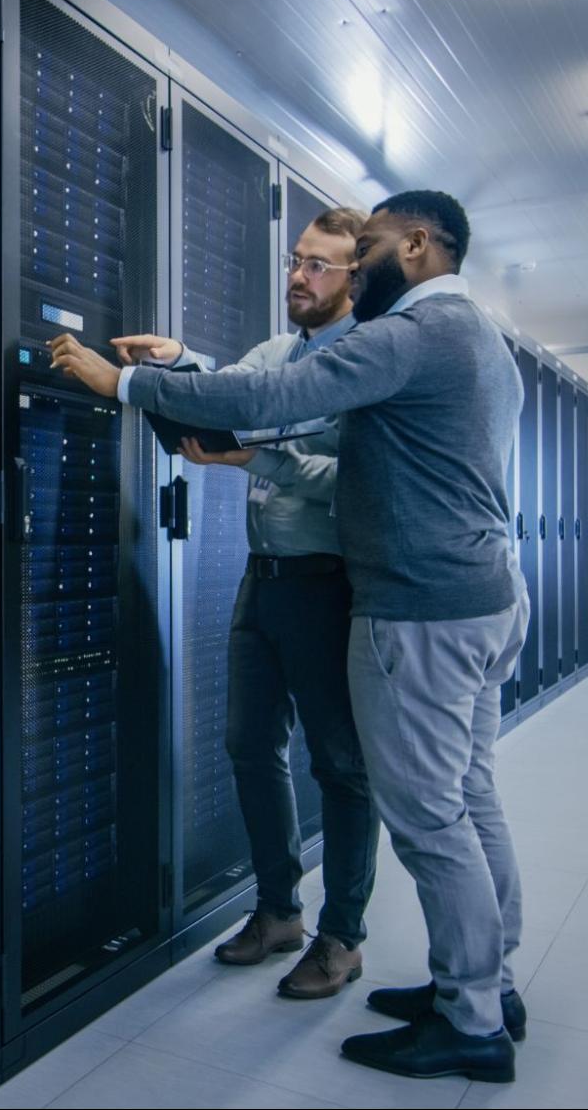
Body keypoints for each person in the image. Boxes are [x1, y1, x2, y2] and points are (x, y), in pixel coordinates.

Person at [47, 190, 529, 1084]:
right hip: (478, 592)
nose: (319, 273)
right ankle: (485, 986)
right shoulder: (480, 337)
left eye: (360, 250)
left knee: (427, 814)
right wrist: (189, 366)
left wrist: (126, 385)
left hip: (419, 602)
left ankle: (466, 1014)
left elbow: (280, 396)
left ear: (412, 246)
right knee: (467, 794)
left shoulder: (409, 334)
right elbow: (269, 375)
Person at [109, 208, 379, 1001]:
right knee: (247, 744)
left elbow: (359, 482)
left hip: (326, 581)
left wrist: (261, 456)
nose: (297, 276)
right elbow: (243, 384)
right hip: (262, 580)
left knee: (338, 764)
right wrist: (181, 360)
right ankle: (277, 910)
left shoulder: (366, 361)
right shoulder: (283, 351)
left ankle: (342, 936)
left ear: (354, 279)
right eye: (295, 260)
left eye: (318, 266)